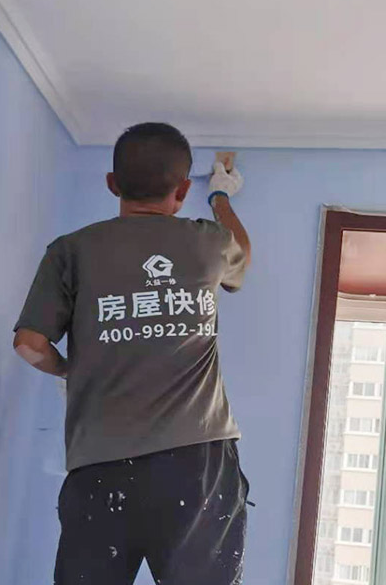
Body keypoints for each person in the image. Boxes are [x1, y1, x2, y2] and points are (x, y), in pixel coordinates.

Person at [13, 122, 252, 584]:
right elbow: (242, 254)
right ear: (182, 190)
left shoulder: (71, 251)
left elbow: (29, 344)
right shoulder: (208, 240)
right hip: (195, 464)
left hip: (99, 465)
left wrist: (73, 370)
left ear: (112, 184)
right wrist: (220, 197)